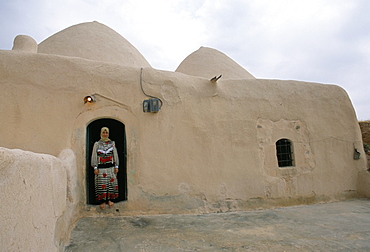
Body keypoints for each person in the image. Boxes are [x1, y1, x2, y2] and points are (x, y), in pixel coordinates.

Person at [91, 127, 119, 209]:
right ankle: (102, 201)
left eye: (106, 132)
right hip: (101, 168)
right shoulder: (97, 144)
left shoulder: (112, 143)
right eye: (103, 132)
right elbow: (94, 155)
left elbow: (115, 155)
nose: (105, 134)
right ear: (101, 133)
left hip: (111, 167)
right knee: (101, 184)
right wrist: (95, 167)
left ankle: (110, 200)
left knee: (111, 184)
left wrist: (116, 166)